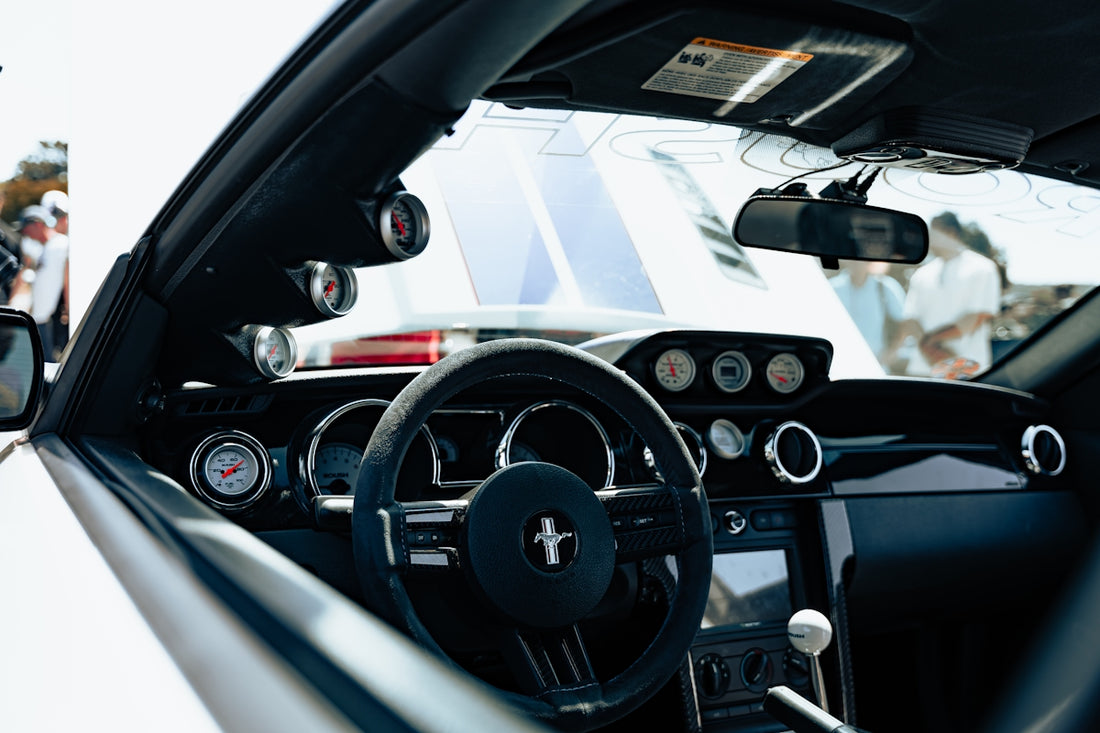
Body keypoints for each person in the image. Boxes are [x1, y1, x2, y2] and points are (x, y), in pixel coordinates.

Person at [890, 212, 1001, 378]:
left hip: (967, 372)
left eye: (933, 233)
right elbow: (910, 319)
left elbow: (978, 316)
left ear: (950, 232)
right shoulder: (921, 274)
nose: (929, 239)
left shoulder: (983, 268)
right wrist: (931, 350)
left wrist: (935, 346)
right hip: (921, 371)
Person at [830, 260, 906, 370]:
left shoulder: (885, 286)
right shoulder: (833, 287)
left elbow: (905, 322)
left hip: (875, 365)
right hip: (839, 365)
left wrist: (893, 351)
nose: (857, 262)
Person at [39, 190, 70, 354]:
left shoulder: (35, 242)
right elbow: (68, 286)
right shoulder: (64, 244)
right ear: (64, 218)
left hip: (33, 317)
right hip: (45, 320)